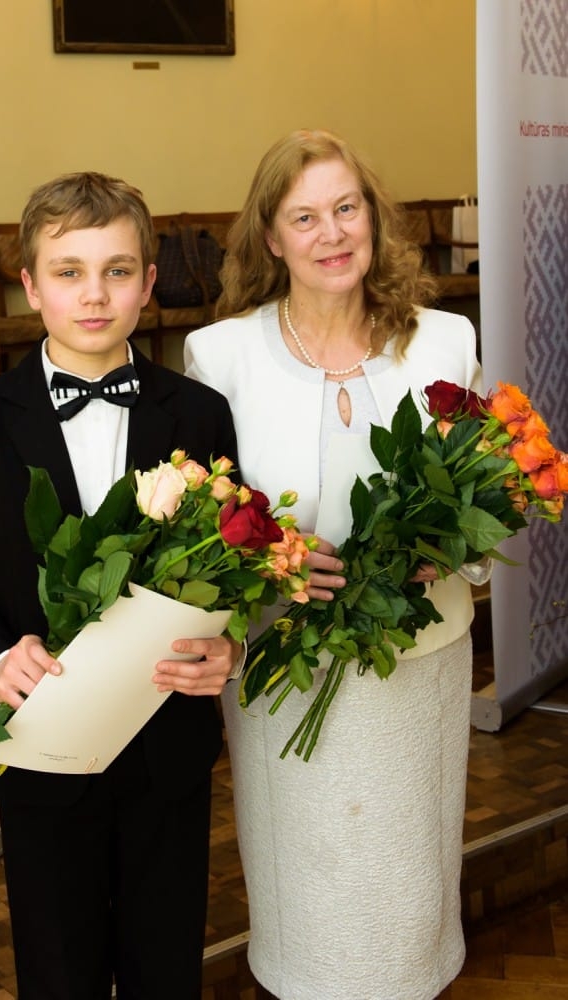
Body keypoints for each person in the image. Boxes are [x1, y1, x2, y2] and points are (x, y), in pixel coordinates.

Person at [0, 171, 244, 1000]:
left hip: (167, 746)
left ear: (147, 282)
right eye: (69, 272)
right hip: (40, 746)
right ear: (30, 285)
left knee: (165, 968)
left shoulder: (199, 414)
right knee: (57, 973)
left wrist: (229, 647)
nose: (94, 295)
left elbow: (227, 570)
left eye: (117, 270)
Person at [184, 129, 487, 1000]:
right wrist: (271, 561)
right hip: (286, 670)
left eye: (346, 208)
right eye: (305, 217)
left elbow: (486, 486)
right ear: (271, 238)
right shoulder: (220, 356)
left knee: (408, 873)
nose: (332, 233)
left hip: (421, 666)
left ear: (373, 217)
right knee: (310, 887)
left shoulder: (444, 340)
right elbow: (207, 526)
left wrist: (453, 550)